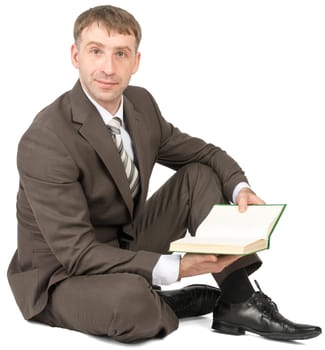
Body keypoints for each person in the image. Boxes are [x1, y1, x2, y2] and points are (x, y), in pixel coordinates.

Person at [7, 5, 321, 343]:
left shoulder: (140, 105)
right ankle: (152, 297)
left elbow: (205, 154)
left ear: (136, 62)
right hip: (62, 276)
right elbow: (78, 252)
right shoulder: (46, 139)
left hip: (122, 243)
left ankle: (239, 300)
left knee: (198, 177)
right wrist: (178, 268)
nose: (108, 68)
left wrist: (239, 190)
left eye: (121, 54)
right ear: (75, 55)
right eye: (96, 51)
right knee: (131, 303)